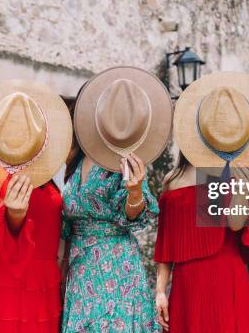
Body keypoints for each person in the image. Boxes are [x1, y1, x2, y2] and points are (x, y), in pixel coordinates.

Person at [159, 71, 249, 332]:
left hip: (227, 277)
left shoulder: (240, 173)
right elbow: (166, 241)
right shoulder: (173, 179)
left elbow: (237, 226)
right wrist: (159, 290)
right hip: (187, 283)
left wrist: (242, 191)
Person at [61, 67, 172, 332]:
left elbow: (134, 212)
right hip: (80, 272)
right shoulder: (77, 158)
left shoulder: (122, 161)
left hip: (115, 269)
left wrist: (134, 193)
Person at [0, 80, 73, 333]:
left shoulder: (43, 177)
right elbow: (6, 235)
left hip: (44, 282)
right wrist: (16, 215)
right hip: (13, 283)